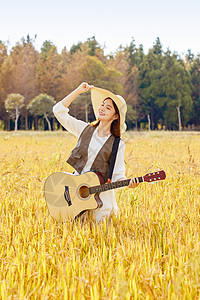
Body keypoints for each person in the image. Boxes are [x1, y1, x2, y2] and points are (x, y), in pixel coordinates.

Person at [53, 82, 139, 222]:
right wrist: (78, 91)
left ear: (115, 116)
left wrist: (129, 183)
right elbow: (58, 111)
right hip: (75, 193)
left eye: (108, 107)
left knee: (99, 232)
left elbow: (117, 175)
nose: (102, 108)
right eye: (102, 105)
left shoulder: (117, 144)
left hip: (100, 199)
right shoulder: (84, 129)